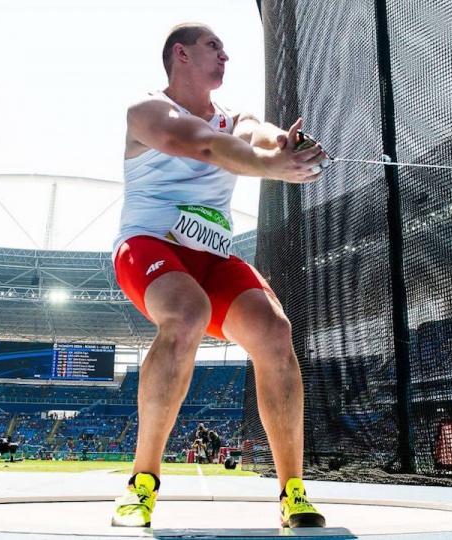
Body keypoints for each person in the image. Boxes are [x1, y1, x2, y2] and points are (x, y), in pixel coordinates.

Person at [110, 23, 329, 529]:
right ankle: (142, 481)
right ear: (180, 55)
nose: (225, 55)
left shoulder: (237, 116)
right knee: (187, 315)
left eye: (226, 49)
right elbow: (207, 146)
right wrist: (271, 167)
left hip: (212, 257)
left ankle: (292, 490)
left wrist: (288, 145)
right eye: (214, 47)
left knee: (275, 333)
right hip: (150, 245)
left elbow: (259, 133)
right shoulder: (147, 112)